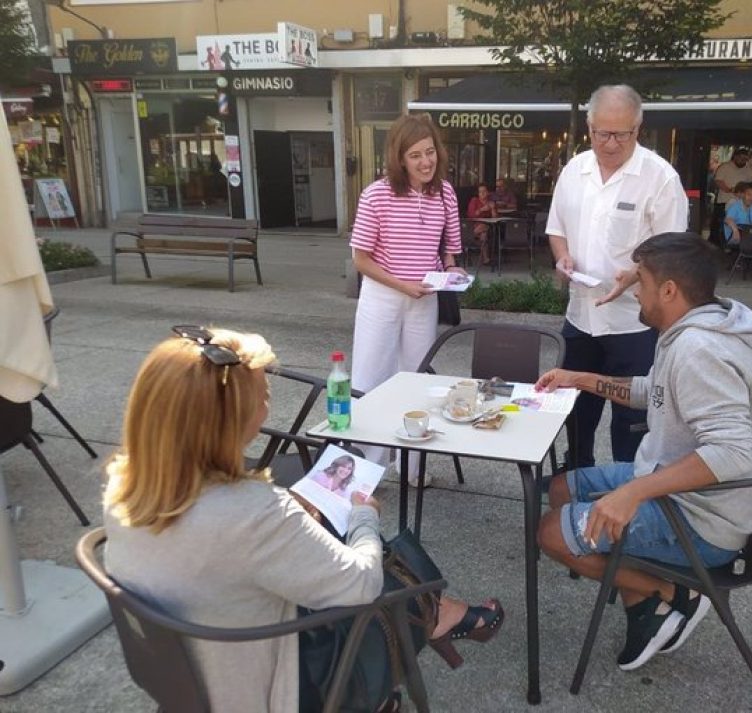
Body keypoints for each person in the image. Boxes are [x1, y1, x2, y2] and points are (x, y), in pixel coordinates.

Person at [104, 327, 504, 713]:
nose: (267, 406)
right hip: (264, 686)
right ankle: (438, 616)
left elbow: (223, 549)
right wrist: (363, 514)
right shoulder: (253, 513)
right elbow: (362, 584)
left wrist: (293, 515)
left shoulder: (124, 488)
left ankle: (442, 614)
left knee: (349, 545)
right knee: (385, 567)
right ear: (229, 423)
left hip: (184, 673)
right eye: (263, 396)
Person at [535, 232, 752, 674]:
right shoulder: (696, 328)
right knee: (562, 487)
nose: (635, 293)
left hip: (704, 522)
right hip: (681, 489)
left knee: (551, 533)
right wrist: (582, 378)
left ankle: (674, 594)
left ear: (669, 290)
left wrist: (633, 493)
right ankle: (641, 592)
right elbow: (655, 392)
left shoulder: (699, 350)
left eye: (641, 283)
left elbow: (731, 453)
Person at [545, 84, 688, 469]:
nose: (609, 143)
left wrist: (637, 275)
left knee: (631, 419)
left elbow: (672, 252)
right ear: (589, 127)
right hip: (580, 317)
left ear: (637, 129)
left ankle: (629, 488)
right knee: (575, 407)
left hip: (633, 323)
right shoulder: (575, 170)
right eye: (601, 133)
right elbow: (556, 227)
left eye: (620, 134)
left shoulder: (659, 178)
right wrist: (563, 258)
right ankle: (574, 479)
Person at [350, 113, 466, 486]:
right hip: (383, 296)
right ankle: (366, 469)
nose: (425, 162)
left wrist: (453, 269)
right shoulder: (376, 194)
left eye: (430, 152)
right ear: (399, 158)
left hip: (424, 297)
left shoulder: (445, 193)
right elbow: (360, 259)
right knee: (371, 378)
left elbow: (448, 249)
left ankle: (413, 468)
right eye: (415, 155)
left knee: (416, 380)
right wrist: (401, 285)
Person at [710, 147, 752, 247]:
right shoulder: (725, 167)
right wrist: (730, 190)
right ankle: (716, 245)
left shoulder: (747, 169)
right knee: (719, 226)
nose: (743, 161)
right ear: (735, 157)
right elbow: (718, 181)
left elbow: (751, 182)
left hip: (741, 203)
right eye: (741, 158)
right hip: (725, 201)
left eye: (745, 159)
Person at [466, 182, 497, 265]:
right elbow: (471, 215)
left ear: (488, 193)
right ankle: (486, 259)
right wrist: (482, 209)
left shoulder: (490, 202)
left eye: (484, 191)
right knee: (484, 233)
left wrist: (493, 208)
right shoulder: (474, 201)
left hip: (488, 226)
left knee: (484, 231)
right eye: (480, 192)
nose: (482, 194)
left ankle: (471, 236)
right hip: (473, 225)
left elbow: (495, 218)